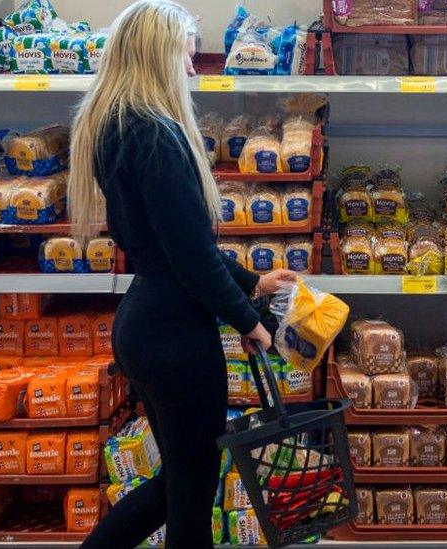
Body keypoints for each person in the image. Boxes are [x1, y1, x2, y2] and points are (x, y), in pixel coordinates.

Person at [67, 2, 296, 547]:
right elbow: (191, 260)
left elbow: (180, 248)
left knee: (180, 482)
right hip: (174, 336)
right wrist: (252, 321)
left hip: (148, 322)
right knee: (192, 493)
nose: (193, 72)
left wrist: (250, 284)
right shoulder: (156, 137)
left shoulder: (118, 127)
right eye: (187, 59)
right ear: (158, 57)